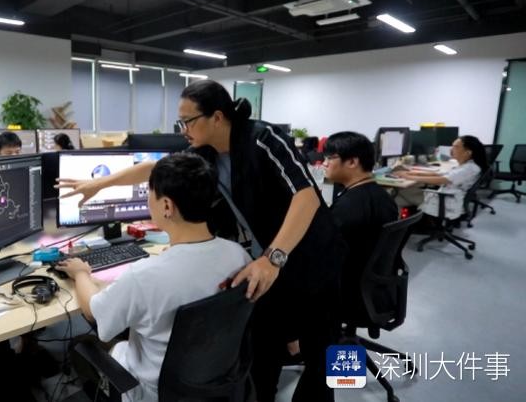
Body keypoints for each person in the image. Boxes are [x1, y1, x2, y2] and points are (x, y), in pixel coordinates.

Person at [58, 80, 345, 401]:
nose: (182, 130)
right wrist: (99, 184)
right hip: (266, 264)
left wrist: (272, 258)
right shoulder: (204, 152)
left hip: (310, 257)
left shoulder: (262, 138)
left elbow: (307, 196)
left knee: (324, 356)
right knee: (263, 354)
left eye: (188, 121)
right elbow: (157, 169)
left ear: (217, 117)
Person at [56, 153, 251, 401]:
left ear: (167, 206)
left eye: (149, 192)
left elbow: (93, 311)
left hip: (150, 391)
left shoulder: (145, 275)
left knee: (79, 344)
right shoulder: (239, 256)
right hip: (214, 384)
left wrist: (81, 274)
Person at [322, 132, 398, 320]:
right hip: (376, 288)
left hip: (349, 292)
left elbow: (321, 249)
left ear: (352, 162)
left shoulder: (349, 207)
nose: (324, 163)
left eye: (330, 158)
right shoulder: (384, 197)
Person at [393, 135, 487, 219]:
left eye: (456, 147)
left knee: (398, 191)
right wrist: (412, 173)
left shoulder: (469, 168)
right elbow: (441, 174)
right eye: (452, 146)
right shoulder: (466, 165)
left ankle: (398, 223)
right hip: (446, 194)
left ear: (468, 152)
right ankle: (401, 223)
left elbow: (443, 180)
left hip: (444, 200)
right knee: (398, 198)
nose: (451, 149)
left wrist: (409, 177)